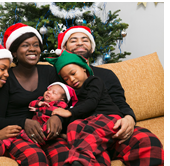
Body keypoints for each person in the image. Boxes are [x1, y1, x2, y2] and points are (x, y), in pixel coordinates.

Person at [53, 25, 164, 166]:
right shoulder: (59, 80)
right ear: (64, 48)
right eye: (73, 40)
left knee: (147, 141)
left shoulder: (106, 75)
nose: (80, 43)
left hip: (112, 127)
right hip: (82, 133)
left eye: (84, 39)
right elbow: (53, 106)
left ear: (92, 48)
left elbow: (119, 101)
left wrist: (129, 118)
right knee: (93, 154)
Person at [0, 23, 69, 166]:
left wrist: (58, 117)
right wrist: (24, 122)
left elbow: (63, 102)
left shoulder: (49, 72)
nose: (32, 49)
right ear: (14, 52)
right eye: (25, 45)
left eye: (36, 45)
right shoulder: (6, 78)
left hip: (47, 132)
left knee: (64, 156)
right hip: (18, 134)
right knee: (36, 158)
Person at [47, 50, 125, 166]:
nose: (71, 79)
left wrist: (69, 112)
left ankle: (78, 159)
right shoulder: (74, 94)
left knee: (92, 131)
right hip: (90, 120)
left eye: (73, 73)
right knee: (74, 126)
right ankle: (84, 158)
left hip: (108, 116)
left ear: (84, 68)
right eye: (66, 78)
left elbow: (91, 103)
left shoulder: (94, 81)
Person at [2, 82, 78, 148]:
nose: (49, 92)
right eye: (48, 90)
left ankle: (35, 140)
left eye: (54, 93)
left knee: (46, 130)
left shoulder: (61, 104)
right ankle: (7, 142)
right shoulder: (41, 99)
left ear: (61, 99)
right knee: (20, 131)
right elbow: (31, 104)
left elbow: (52, 111)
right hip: (36, 124)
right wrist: (38, 103)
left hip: (47, 125)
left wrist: (38, 109)